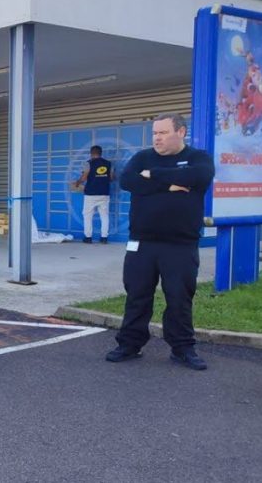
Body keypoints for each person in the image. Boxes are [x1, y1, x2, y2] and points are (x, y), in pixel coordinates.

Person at [105, 113, 215, 371]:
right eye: (155, 133)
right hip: (142, 242)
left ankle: (182, 348)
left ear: (181, 132)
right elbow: (129, 181)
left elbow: (197, 177)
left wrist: (152, 175)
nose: (157, 138)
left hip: (180, 244)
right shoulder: (142, 157)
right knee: (137, 295)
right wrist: (169, 184)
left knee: (179, 297)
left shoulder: (199, 158)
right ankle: (130, 344)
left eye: (163, 132)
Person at [74, 145, 114, 243]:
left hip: (90, 194)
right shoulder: (109, 164)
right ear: (101, 153)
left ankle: (88, 238)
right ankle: (104, 238)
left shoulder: (88, 163)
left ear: (91, 153)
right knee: (104, 216)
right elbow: (112, 178)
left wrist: (77, 183)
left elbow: (84, 178)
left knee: (87, 216)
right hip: (104, 193)